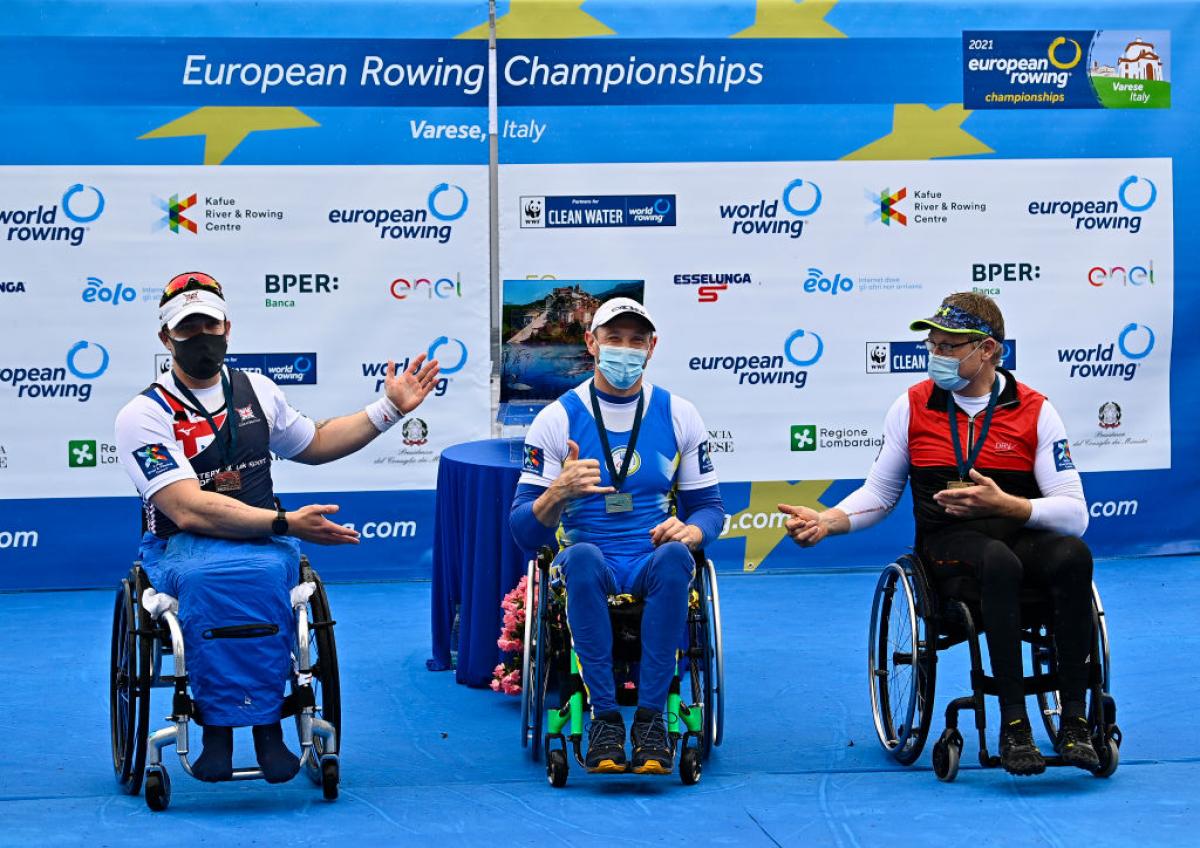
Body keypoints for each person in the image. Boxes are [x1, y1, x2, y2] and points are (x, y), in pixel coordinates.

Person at [115, 272, 439, 783]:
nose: (201, 335)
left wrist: (390, 408)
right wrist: (287, 521)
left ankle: (269, 727)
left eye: (209, 323)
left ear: (227, 327)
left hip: (265, 541)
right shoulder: (143, 414)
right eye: (187, 328)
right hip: (181, 548)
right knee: (210, 580)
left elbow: (316, 443)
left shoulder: (257, 392)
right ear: (166, 339)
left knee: (267, 574)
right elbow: (187, 509)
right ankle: (216, 729)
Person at [778, 292, 1099, 776]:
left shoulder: (1036, 410)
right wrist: (826, 521)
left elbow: (1075, 513)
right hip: (948, 547)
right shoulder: (911, 407)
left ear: (987, 350)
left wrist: (1008, 505)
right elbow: (880, 494)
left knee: (1073, 555)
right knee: (997, 560)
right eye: (933, 345)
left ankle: (1075, 720)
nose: (936, 357)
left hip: (1015, 533)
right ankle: (1014, 724)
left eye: (949, 348)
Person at [509, 297, 725, 775]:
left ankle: (649, 720)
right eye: (614, 339)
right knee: (581, 557)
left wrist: (690, 530)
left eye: (635, 341)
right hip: (590, 557)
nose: (625, 350)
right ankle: (604, 717)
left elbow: (710, 510)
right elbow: (524, 529)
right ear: (592, 343)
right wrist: (557, 493)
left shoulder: (680, 414)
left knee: (675, 558)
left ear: (651, 347)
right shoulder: (557, 419)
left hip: (650, 555)